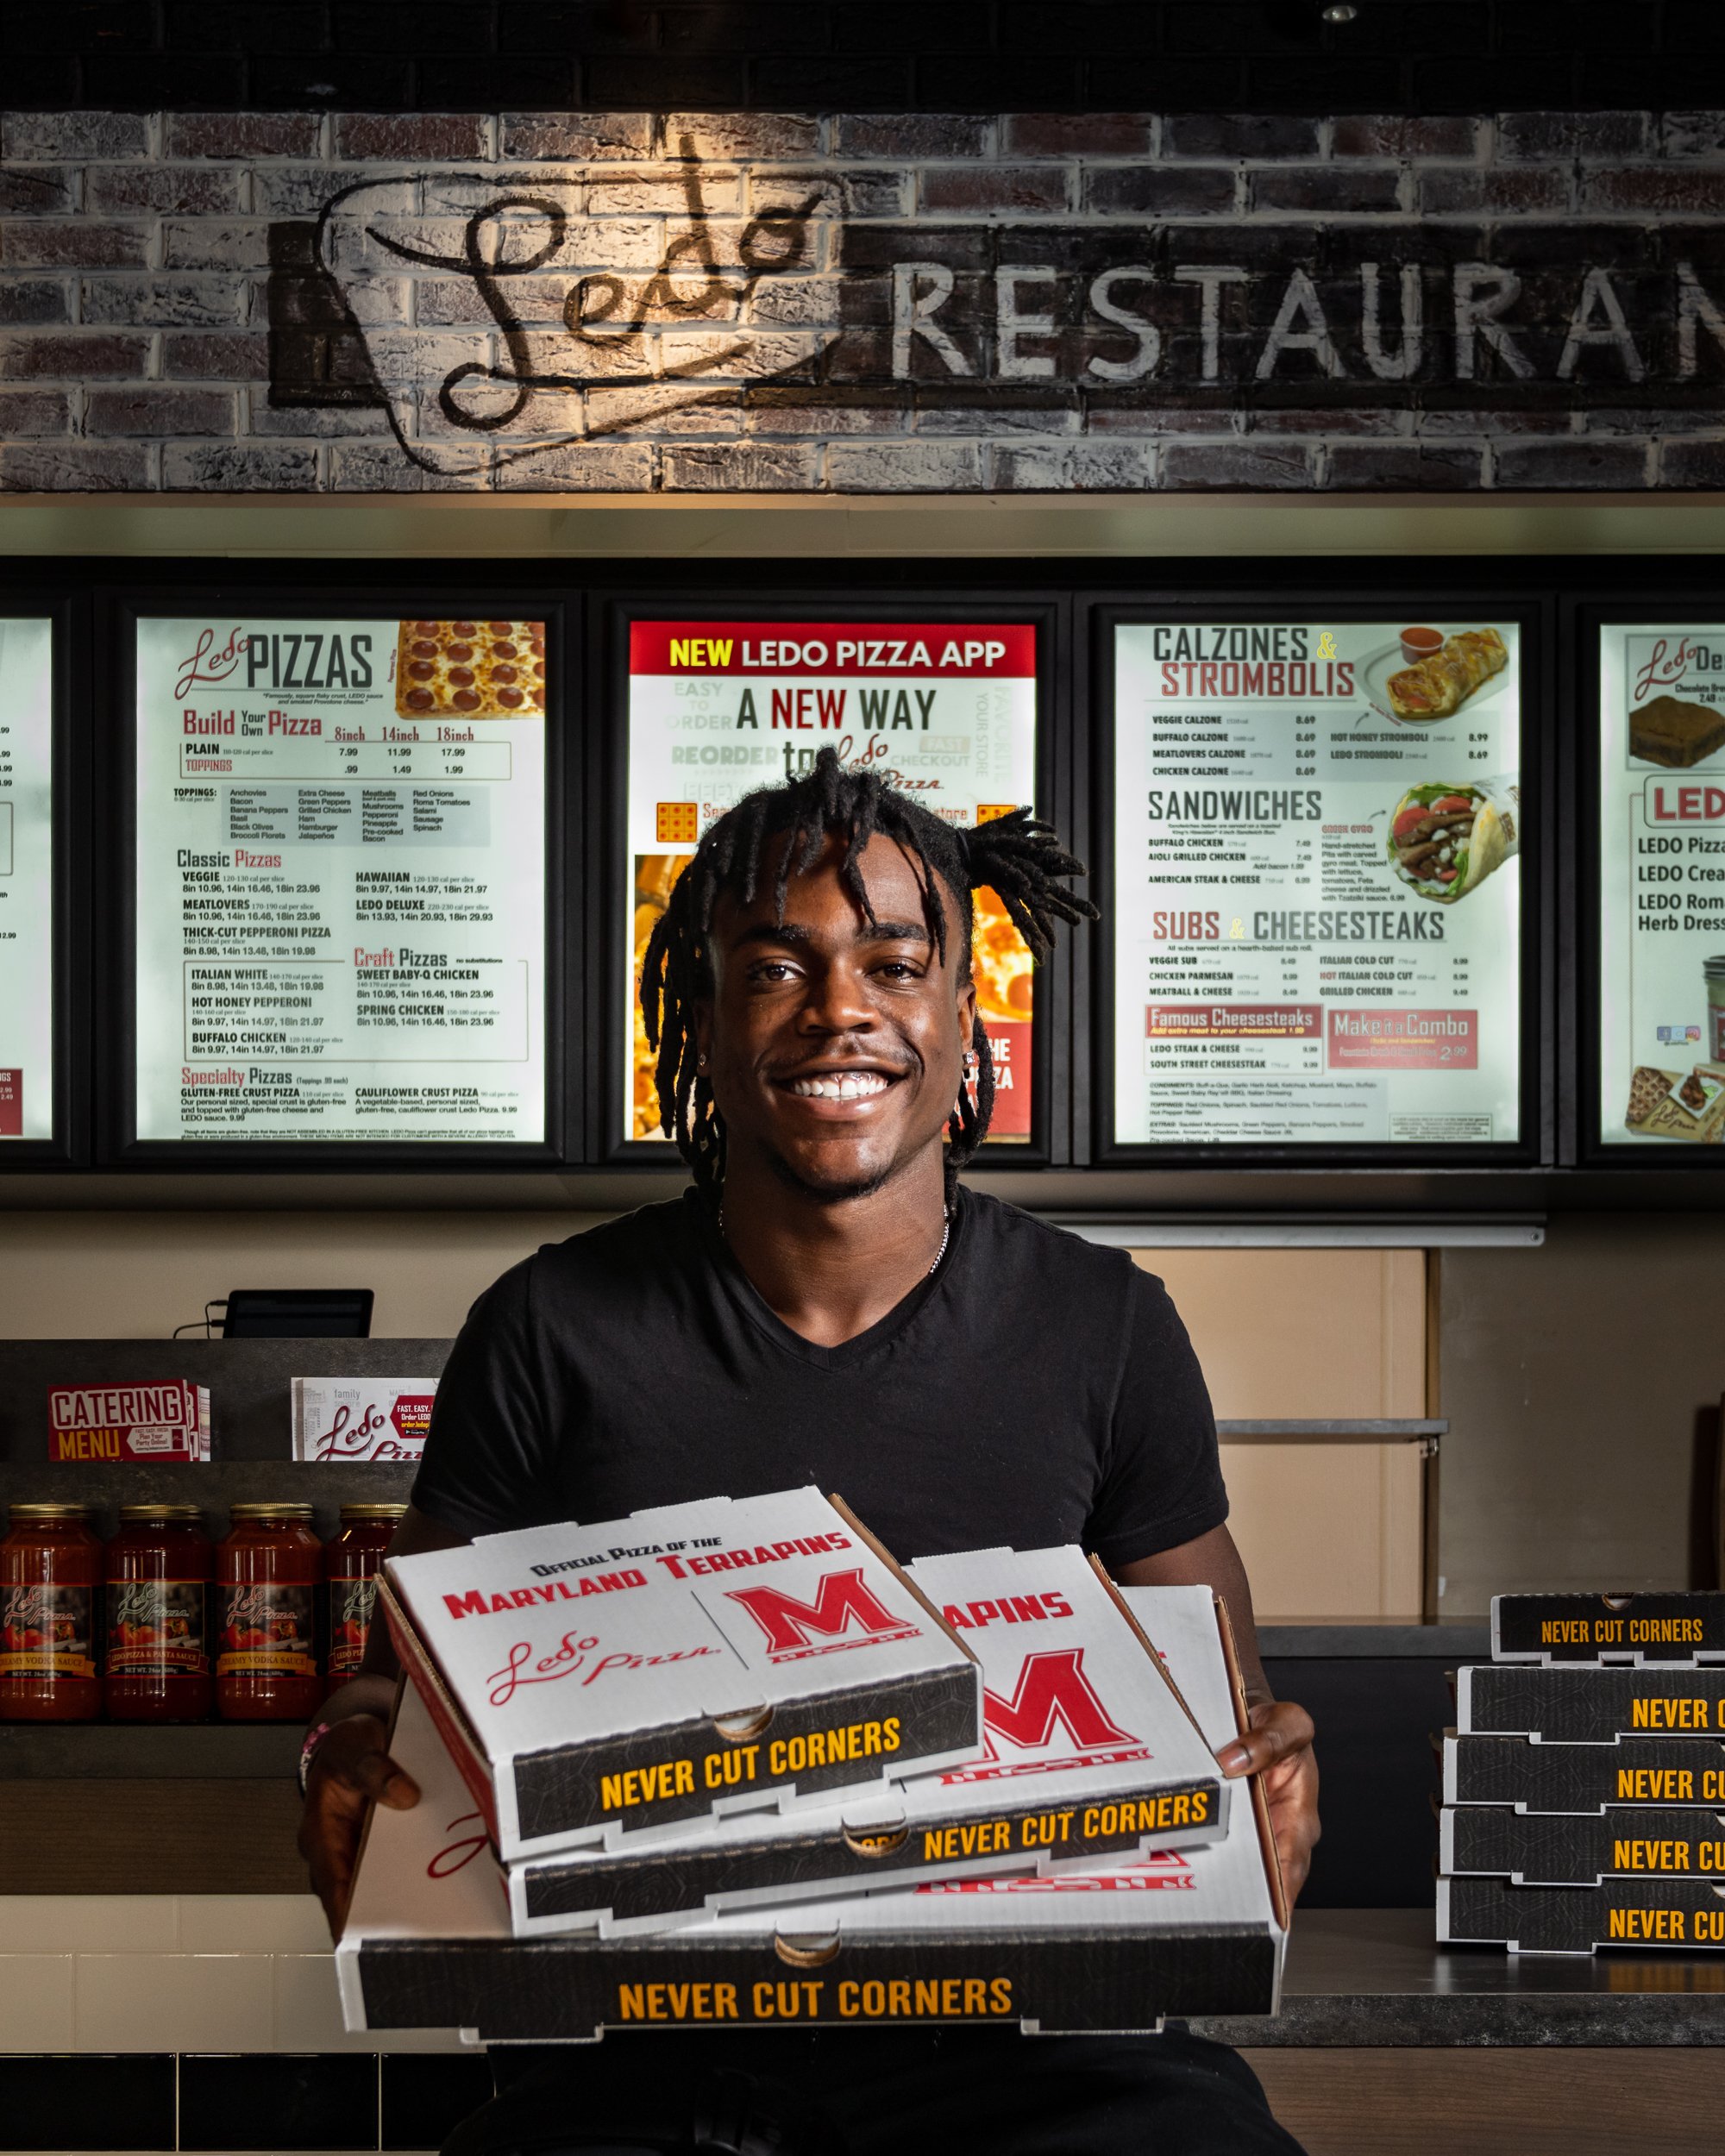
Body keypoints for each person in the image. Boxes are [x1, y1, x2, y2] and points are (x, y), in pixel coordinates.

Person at [298, 747, 1319, 2156]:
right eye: (777, 970)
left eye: (896, 966)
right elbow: (389, 1692)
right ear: (703, 1026)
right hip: (651, 2046)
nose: (843, 1011)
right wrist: (346, 1753)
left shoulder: (1108, 1326)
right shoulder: (548, 1326)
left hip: (1040, 2060)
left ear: (966, 1019)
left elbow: (1225, 1696)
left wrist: (1267, 1761)